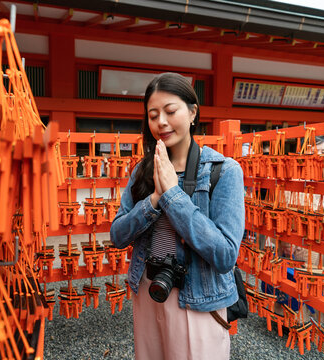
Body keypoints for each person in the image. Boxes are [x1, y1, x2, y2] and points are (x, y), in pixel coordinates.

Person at [110, 72, 245, 360]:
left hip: (199, 300)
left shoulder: (225, 171)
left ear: (193, 112)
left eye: (170, 111)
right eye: (153, 114)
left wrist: (172, 195)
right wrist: (154, 200)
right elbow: (118, 235)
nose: (161, 122)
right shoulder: (142, 171)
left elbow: (224, 255)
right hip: (149, 290)